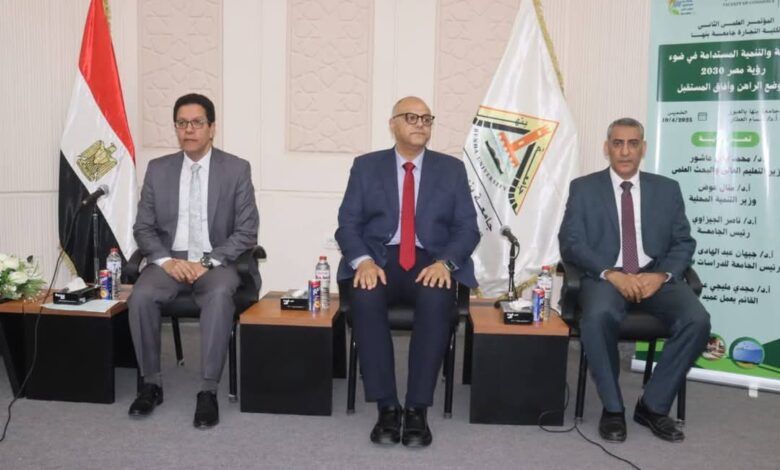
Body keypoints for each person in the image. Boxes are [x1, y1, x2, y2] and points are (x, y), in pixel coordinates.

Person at [335, 96, 479, 447]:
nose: (420, 124)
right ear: (393, 124)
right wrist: (362, 261)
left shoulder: (451, 169)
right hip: (378, 258)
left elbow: (467, 228)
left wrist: (445, 263)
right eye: (411, 117)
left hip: (431, 260)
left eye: (426, 119)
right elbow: (347, 224)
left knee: (436, 297)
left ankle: (416, 408)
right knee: (365, 295)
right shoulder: (366, 166)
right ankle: (387, 406)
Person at [558, 117, 710, 443]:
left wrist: (661, 276)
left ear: (643, 148)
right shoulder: (584, 188)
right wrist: (611, 274)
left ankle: (653, 405)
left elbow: (683, 243)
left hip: (655, 276)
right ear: (607, 148)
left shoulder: (667, 189)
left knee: (697, 319)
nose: (625, 151)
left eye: (632, 144)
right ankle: (613, 408)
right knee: (597, 316)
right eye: (618, 143)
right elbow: (571, 243)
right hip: (606, 277)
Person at [128, 93, 259, 429]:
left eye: (197, 122)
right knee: (141, 295)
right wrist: (165, 261)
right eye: (182, 123)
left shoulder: (236, 169)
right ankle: (150, 384)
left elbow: (247, 231)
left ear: (212, 128)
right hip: (170, 261)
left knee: (218, 295)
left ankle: (207, 390)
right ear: (176, 128)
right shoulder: (158, 170)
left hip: (215, 262)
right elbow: (143, 228)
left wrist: (208, 262)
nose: (189, 130)